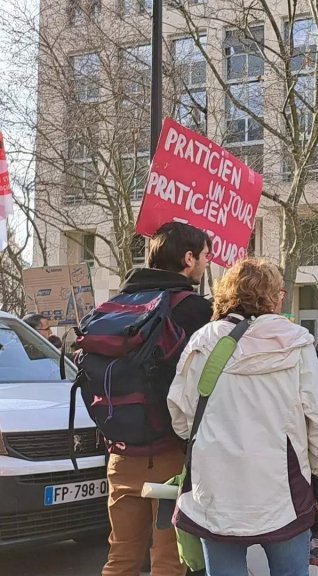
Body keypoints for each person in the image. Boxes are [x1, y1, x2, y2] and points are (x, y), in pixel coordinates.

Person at [167, 258, 318, 576]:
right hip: (284, 490)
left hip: (215, 487)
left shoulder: (203, 342)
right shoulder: (296, 342)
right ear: (276, 297)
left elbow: (180, 414)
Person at [102, 222, 213, 576]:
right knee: (168, 560)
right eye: (205, 257)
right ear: (188, 258)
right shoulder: (194, 310)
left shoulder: (115, 305)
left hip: (120, 449)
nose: (206, 265)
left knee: (121, 557)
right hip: (170, 455)